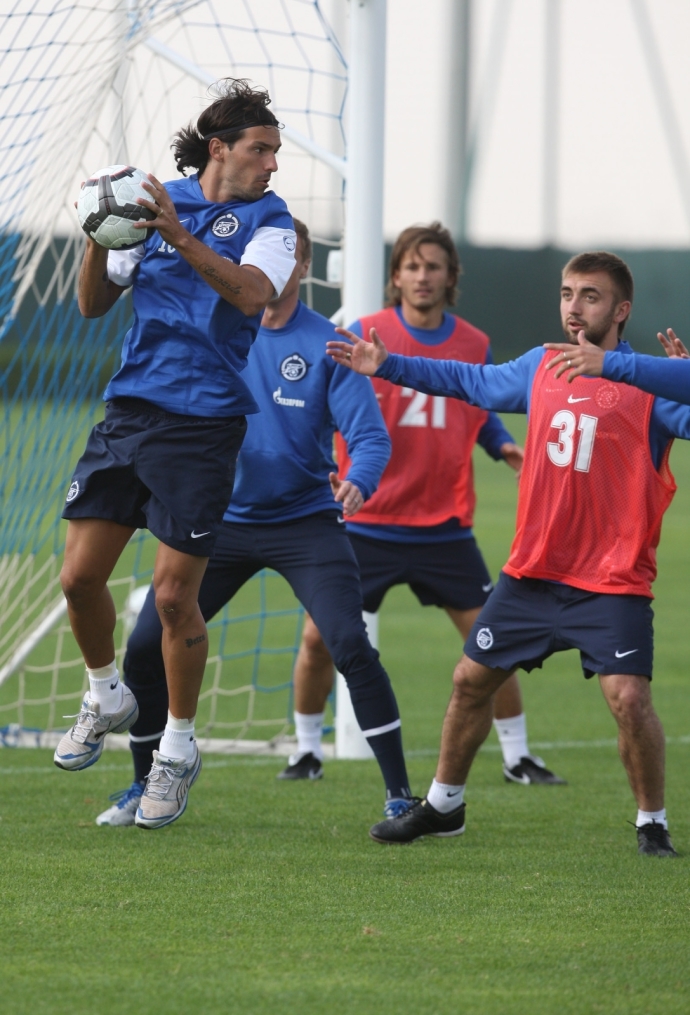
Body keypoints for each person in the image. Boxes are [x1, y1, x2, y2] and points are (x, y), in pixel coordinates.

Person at [328, 250, 690, 857]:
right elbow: (468, 381)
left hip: (612, 580)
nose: (575, 307)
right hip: (533, 573)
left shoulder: (654, 386)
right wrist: (387, 365)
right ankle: (444, 806)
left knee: (628, 699)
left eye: (591, 296)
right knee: (470, 679)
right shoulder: (541, 366)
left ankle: (651, 822)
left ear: (621, 310)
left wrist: (671, 375)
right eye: (568, 293)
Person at [95, 219, 413, 829]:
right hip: (218, 524)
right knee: (141, 647)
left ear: (302, 266)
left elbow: (369, 438)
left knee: (348, 642)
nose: (278, 264)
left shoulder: (328, 344)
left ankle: (401, 796)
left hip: (305, 523)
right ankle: (143, 785)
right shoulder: (208, 338)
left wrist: (359, 480)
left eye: (291, 255)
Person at [54, 80, 297, 829]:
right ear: (220, 147)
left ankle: (178, 748)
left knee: (170, 599)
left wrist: (179, 234)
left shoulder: (272, 221)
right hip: (129, 411)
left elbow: (252, 294)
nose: (271, 164)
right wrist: (102, 235)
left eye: (276, 152)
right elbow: (93, 304)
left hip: (203, 427)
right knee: (77, 577)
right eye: (261, 149)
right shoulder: (150, 202)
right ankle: (105, 694)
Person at [287, 222, 565, 787]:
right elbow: (326, 399)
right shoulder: (364, 331)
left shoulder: (473, 343)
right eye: (412, 266)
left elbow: (478, 403)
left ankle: (518, 758)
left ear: (450, 277)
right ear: (396, 276)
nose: (422, 276)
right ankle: (306, 751)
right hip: (366, 521)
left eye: (433, 266)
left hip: (444, 527)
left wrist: (501, 445)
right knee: (320, 637)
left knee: (493, 642)